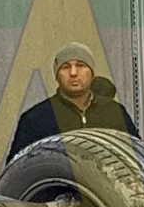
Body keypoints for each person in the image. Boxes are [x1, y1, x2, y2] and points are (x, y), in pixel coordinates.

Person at [9, 43, 137, 156]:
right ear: (57, 76)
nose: (73, 73)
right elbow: (17, 172)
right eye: (65, 67)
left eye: (81, 65)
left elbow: (140, 160)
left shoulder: (114, 112)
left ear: (92, 73)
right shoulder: (36, 119)